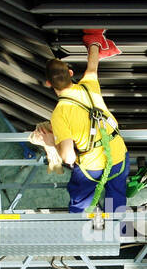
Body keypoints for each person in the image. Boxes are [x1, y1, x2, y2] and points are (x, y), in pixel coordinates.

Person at [31, 33, 129, 214]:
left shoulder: (60, 114)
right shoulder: (88, 85)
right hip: (118, 156)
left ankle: (82, 233)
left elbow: (68, 158)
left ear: (48, 83)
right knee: (116, 202)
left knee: (80, 204)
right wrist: (94, 42)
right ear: (70, 73)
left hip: (92, 167)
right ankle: (118, 233)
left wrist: (51, 142)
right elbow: (92, 67)